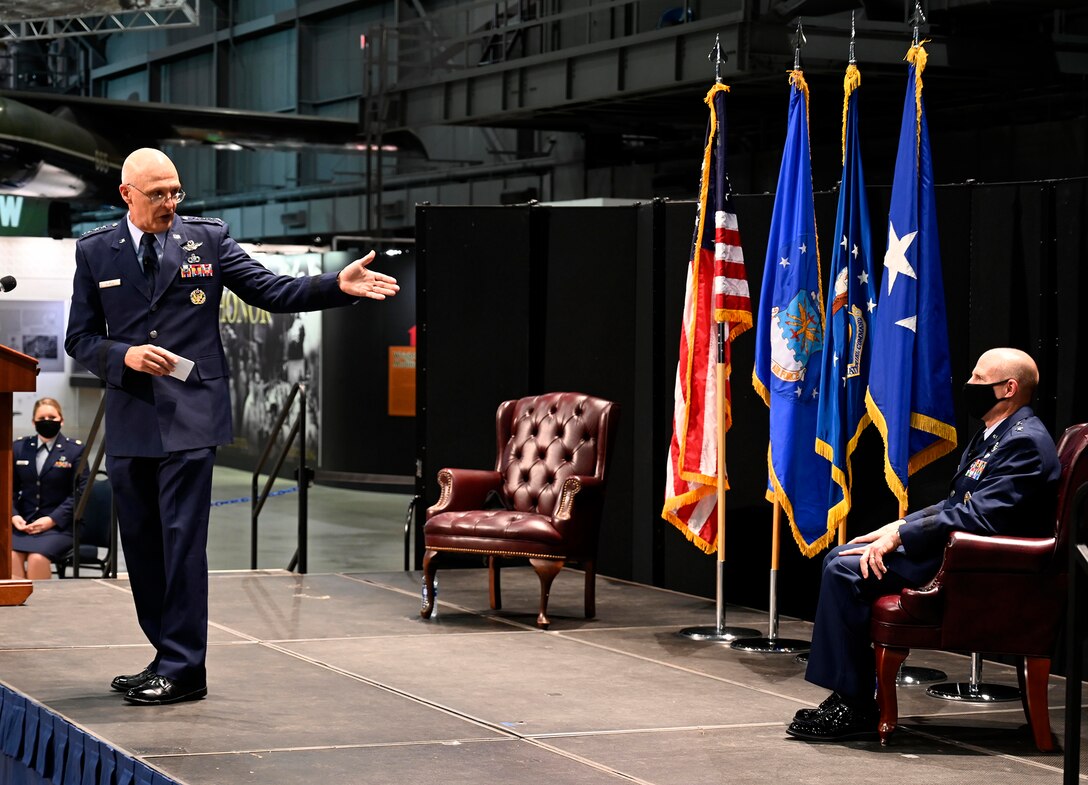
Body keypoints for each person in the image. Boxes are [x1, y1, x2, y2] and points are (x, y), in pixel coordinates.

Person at [64, 148, 399, 706]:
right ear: (127, 194)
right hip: (132, 420)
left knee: (183, 544)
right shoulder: (95, 251)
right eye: (159, 194)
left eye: (177, 192)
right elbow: (80, 337)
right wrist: (122, 355)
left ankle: (185, 668)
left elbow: (274, 291)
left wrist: (336, 286)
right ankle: (165, 654)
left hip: (193, 417)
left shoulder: (208, 240)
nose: (171, 203)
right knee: (144, 548)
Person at [787, 347, 1061, 742]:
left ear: (1009, 388)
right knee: (842, 555)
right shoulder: (996, 434)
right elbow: (956, 503)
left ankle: (855, 703)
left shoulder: (1025, 442)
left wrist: (900, 537)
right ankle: (852, 695)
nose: (969, 385)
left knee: (846, 569)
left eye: (979, 380)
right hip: (957, 553)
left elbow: (978, 518)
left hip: (980, 568)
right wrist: (898, 525)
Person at [10, 397, 88, 580]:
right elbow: (8, 489)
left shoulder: (74, 450)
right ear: (33, 422)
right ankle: (16, 605)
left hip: (60, 526)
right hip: (24, 523)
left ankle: (40, 608)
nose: (47, 421)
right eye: (42, 417)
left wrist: (52, 520)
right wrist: (14, 515)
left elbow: (80, 492)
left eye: (52, 417)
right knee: (11, 556)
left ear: (61, 420)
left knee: (37, 558)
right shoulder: (19, 447)